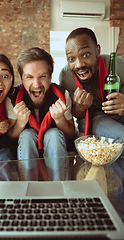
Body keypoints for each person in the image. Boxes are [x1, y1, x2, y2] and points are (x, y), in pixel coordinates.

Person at [59, 27, 124, 221]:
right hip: (95, 118)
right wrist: (79, 107)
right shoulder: (66, 77)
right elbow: (74, 117)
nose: (79, 64)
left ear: (97, 50)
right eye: (72, 59)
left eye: (85, 54)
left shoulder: (118, 66)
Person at [8, 47, 75, 181]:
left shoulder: (62, 95)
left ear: (50, 76)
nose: (36, 84)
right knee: (27, 134)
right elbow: (10, 136)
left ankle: (59, 188)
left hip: (56, 149)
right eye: (29, 77)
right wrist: (20, 123)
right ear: (22, 78)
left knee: (54, 134)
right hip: (26, 151)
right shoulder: (12, 97)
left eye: (42, 76)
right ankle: (28, 187)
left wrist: (60, 119)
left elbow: (71, 133)